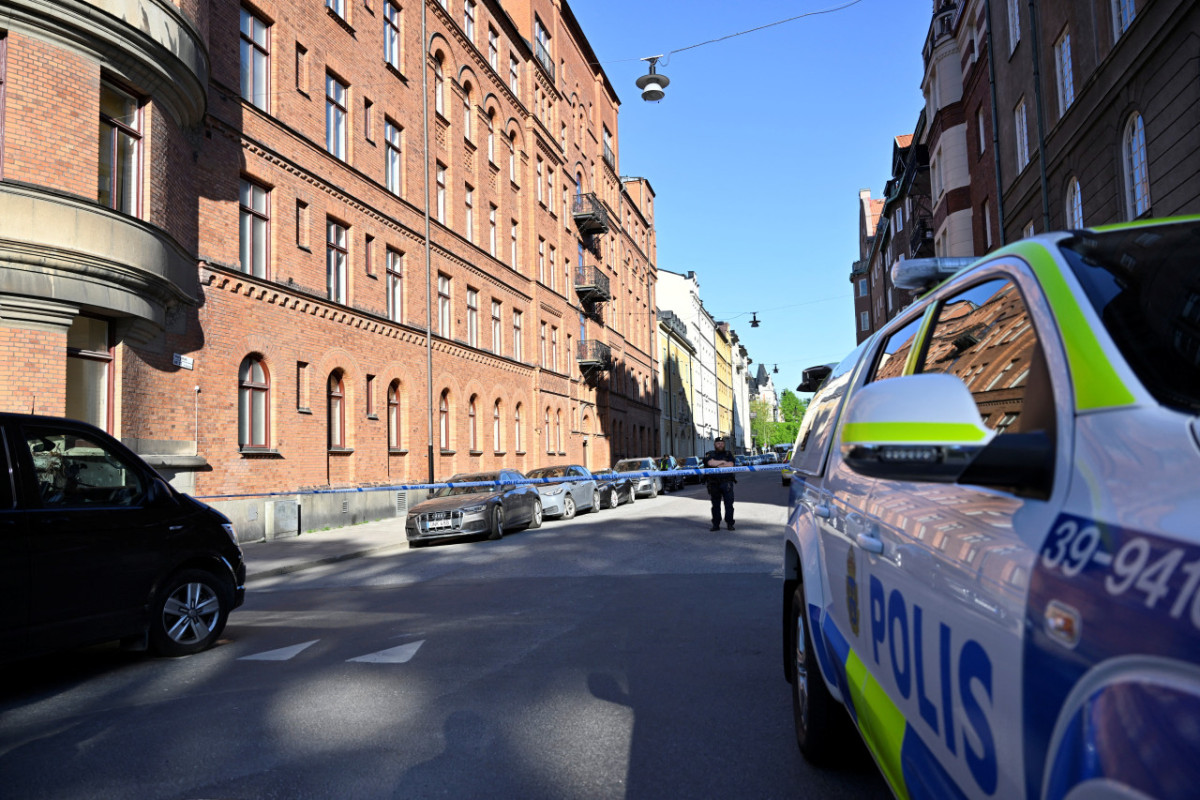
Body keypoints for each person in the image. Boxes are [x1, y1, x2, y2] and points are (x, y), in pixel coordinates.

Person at [703, 437, 737, 530]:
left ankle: (730, 523)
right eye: (718, 443)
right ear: (714, 444)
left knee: (729, 504)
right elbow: (710, 463)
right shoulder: (710, 454)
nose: (720, 445)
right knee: (715, 505)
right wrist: (723, 462)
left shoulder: (728, 454)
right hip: (714, 483)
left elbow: (731, 465)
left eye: (722, 443)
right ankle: (716, 524)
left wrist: (717, 463)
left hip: (727, 482)